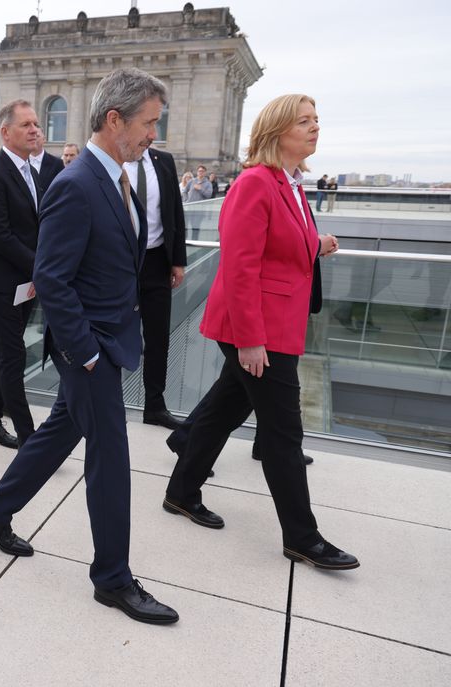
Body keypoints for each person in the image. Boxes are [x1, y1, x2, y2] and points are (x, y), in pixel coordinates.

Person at [0, 68, 178, 624]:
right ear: (115, 120)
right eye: (148, 123)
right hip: (90, 348)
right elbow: (51, 277)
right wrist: (84, 352)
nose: (153, 134)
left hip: (107, 337)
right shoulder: (78, 183)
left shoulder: (115, 179)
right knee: (110, 457)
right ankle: (112, 577)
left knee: (60, 432)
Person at [162, 94, 357, 572]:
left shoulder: (289, 183)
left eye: (317, 120)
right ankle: (302, 538)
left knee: (226, 406)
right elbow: (241, 264)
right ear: (277, 131)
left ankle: (181, 491)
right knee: (283, 433)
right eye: (304, 121)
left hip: (276, 325)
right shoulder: (255, 183)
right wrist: (251, 340)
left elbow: (280, 241)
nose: (315, 128)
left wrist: (317, 244)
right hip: (257, 330)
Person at [0, 100, 44, 450]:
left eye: (36, 124)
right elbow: (0, 237)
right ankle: (30, 436)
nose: (34, 130)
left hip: (26, 283)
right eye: (26, 125)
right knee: (14, 355)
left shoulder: (32, 170)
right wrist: (42, 266)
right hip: (1, 284)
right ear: (6, 132)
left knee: (4, 353)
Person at [123, 146, 187, 430]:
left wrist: (178, 261)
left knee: (158, 336)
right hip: (122, 260)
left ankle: (155, 405)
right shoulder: (114, 158)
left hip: (158, 260)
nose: (151, 132)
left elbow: (174, 210)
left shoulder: (164, 160)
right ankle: (107, 400)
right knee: (118, 332)